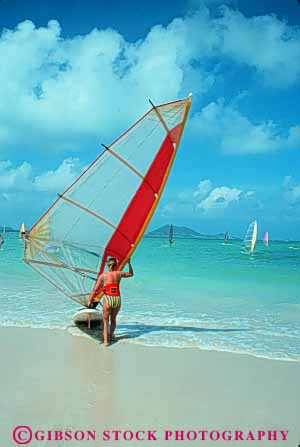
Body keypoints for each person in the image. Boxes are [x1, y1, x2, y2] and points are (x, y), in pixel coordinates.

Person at [87, 257, 134, 346]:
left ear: (108, 265)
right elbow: (131, 274)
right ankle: (111, 336)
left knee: (105, 321)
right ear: (116, 265)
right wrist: (129, 263)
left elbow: (95, 290)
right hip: (117, 299)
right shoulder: (119, 273)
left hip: (108, 299)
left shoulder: (103, 276)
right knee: (113, 320)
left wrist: (90, 300)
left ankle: (106, 342)